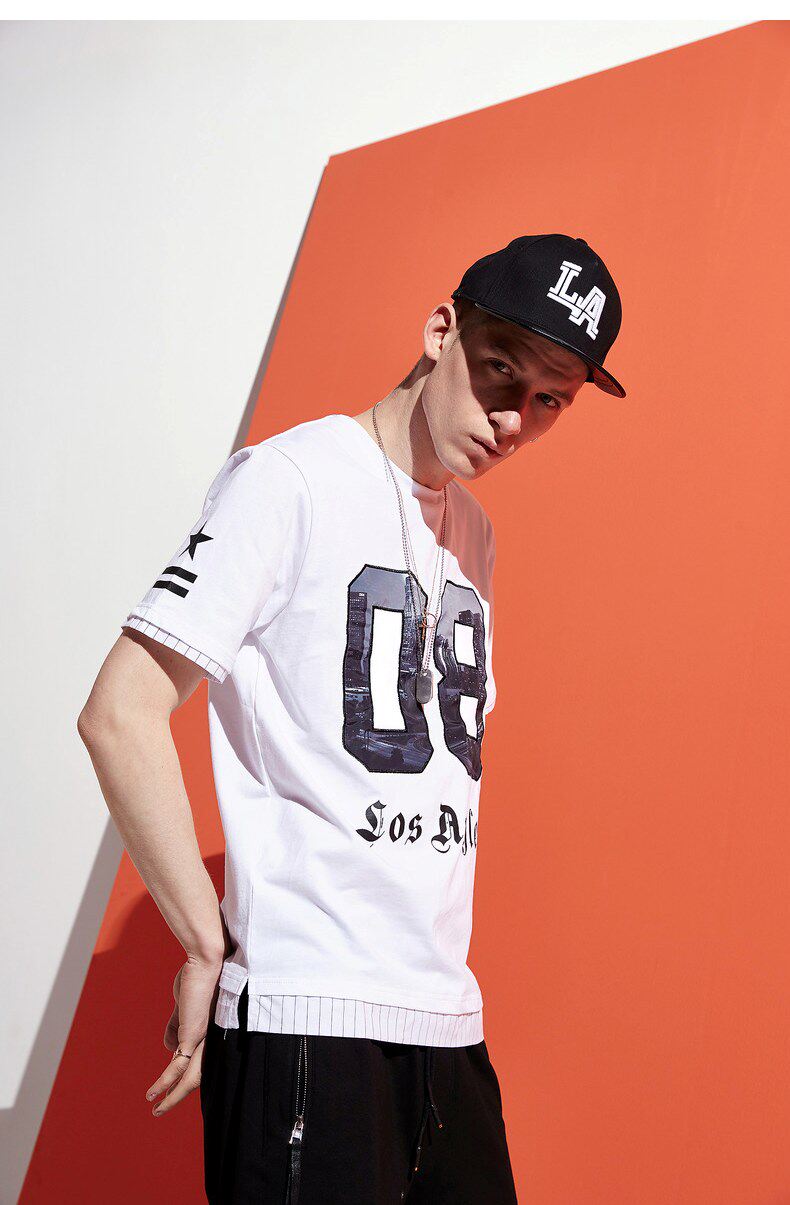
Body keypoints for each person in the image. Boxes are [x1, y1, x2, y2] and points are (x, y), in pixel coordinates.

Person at [78, 232, 625, 1203]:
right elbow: (120, 708)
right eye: (501, 369)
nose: (512, 418)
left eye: (550, 399)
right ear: (441, 330)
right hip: (306, 1020)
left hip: (442, 1020)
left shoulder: (474, 534)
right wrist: (205, 942)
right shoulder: (288, 479)